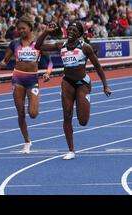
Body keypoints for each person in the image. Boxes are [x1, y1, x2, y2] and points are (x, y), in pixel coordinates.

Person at [35, 21, 111, 160]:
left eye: (74, 30)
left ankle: (85, 100)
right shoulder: (61, 45)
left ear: (79, 34)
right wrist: (46, 32)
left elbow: (98, 67)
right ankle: (71, 150)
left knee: (83, 121)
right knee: (67, 115)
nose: (71, 32)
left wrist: (105, 85)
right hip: (67, 83)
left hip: (82, 83)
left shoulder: (85, 47)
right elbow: (37, 46)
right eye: (69, 29)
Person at [0, 16, 53, 154]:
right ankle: (27, 142)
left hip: (32, 80)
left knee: (33, 113)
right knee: (20, 112)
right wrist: (2, 63)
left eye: (23, 28)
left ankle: (32, 109)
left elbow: (50, 62)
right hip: (17, 79)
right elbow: (5, 60)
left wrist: (48, 72)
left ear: (30, 27)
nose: (21, 31)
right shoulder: (14, 44)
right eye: (19, 29)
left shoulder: (38, 43)